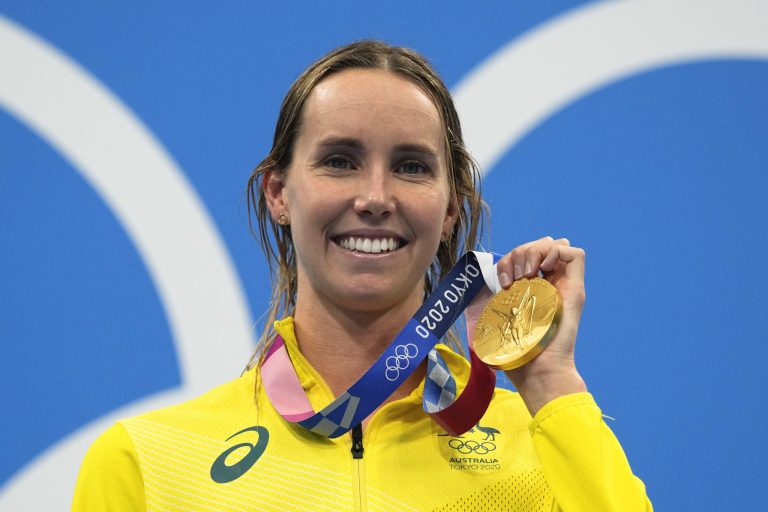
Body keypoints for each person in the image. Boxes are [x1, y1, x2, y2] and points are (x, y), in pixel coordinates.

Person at [73, 40, 652, 511]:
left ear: (451, 209)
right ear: (279, 193)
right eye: (339, 161)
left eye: (411, 167)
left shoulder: (541, 445)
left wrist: (549, 382)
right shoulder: (150, 463)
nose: (375, 197)